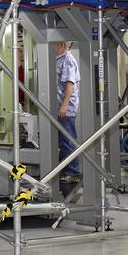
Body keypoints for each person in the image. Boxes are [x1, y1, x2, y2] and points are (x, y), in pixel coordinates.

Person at [55, 40, 81, 184]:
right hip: (60, 107)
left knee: (67, 141)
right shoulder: (59, 59)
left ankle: (73, 172)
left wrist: (64, 106)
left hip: (66, 108)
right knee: (63, 141)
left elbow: (69, 85)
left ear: (62, 45)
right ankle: (64, 169)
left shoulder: (68, 60)